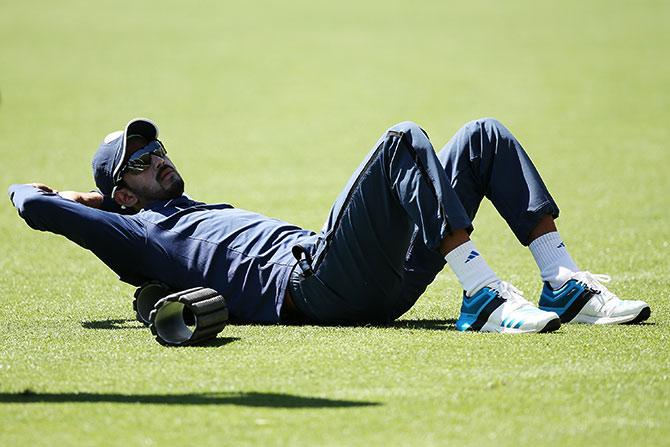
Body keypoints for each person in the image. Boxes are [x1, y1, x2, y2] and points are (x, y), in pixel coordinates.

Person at [8, 118, 651, 333]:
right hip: (315, 286)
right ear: (121, 193)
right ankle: (481, 296)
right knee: (402, 139)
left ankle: (561, 281)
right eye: (140, 164)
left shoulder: (192, 209)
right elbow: (33, 206)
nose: (158, 160)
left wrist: (110, 194)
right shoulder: (137, 235)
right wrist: (83, 200)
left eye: (158, 150)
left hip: (354, 270)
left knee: (481, 136)